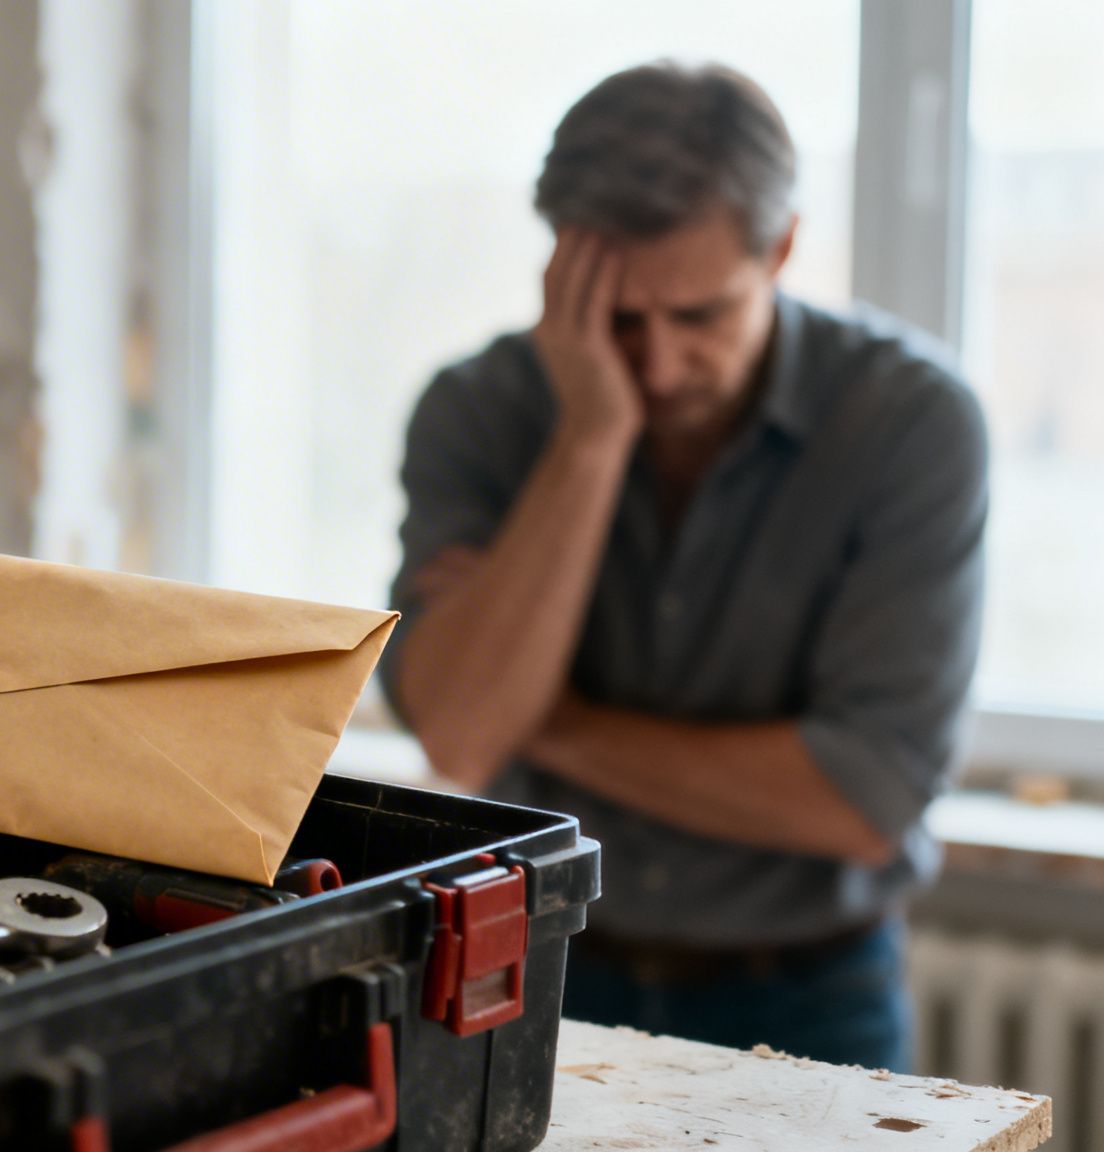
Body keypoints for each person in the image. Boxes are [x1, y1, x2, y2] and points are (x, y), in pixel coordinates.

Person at [379, 61, 987, 1071]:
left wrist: (552, 716)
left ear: (780, 247)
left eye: (697, 315)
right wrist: (586, 437)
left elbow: (861, 798)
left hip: (809, 995)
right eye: (616, 319)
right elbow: (459, 730)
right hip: (537, 968)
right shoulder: (476, 410)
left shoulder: (908, 421)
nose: (653, 367)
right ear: (558, 268)